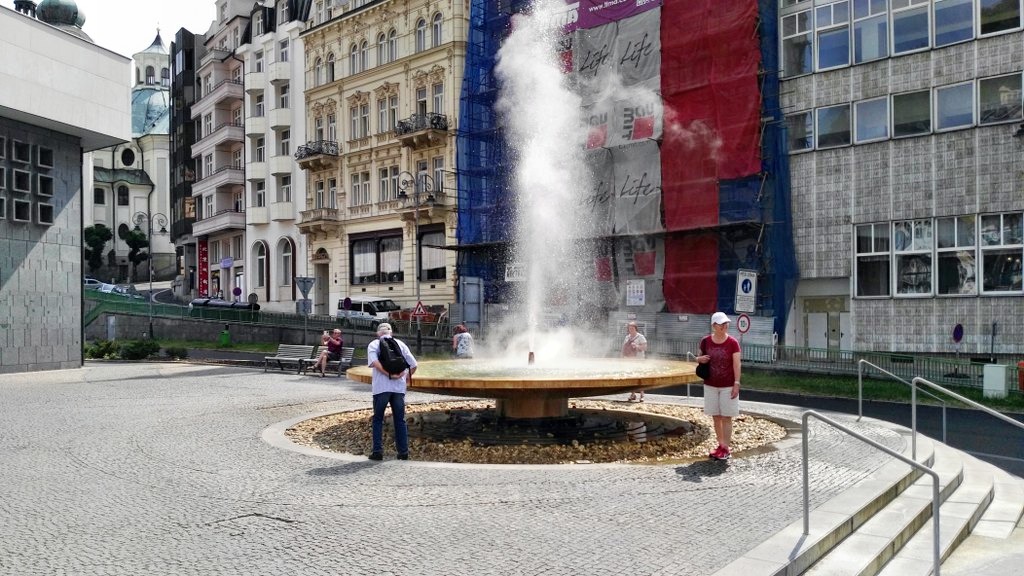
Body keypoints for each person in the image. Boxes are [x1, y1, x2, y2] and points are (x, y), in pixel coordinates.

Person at [367, 323, 417, 461]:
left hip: (381, 388)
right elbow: (414, 365)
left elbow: (375, 363)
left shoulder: (374, 344)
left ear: (378, 333)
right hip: (398, 389)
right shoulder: (401, 344)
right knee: (400, 420)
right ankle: (403, 452)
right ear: (391, 332)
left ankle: (377, 452)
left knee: (378, 419)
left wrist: (388, 374)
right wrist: (404, 376)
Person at [696, 312, 742, 461]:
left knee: (727, 416)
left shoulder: (733, 343)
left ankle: (726, 448)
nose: (724, 326)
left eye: (726, 323)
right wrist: (699, 359)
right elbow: (698, 357)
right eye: (721, 324)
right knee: (716, 416)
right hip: (710, 384)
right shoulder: (705, 341)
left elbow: (737, 364)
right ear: (714, 325)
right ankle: (721, 445)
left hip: (728, 385)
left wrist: (736, 383)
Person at [622, 321, 648, 402]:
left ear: (636, 328)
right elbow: (623, 348)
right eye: (629, 328)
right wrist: (622, 357)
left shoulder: (640, 337)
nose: (631, 329)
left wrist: (637, 346)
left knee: (640, 377)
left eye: (632, 328)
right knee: (631, 377)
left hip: (639, 360)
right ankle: (633, 394)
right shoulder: (627, 337)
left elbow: (645, 347)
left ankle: (642, 395)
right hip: (629, 360)